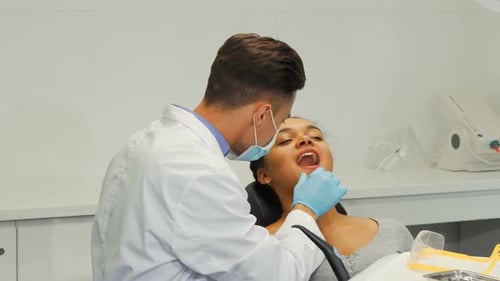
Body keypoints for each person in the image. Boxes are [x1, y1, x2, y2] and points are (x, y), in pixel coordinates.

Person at [91, 33, 347, 281]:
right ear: (261, 116)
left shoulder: (142, 144)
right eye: (281, 124)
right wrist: (305, 210)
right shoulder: (200, 172)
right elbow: (274, 275)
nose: (298, 139)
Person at [249, 117, 414, 280]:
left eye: (316, 137)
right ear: (264, 175)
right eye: (285, 141)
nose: (305, 140)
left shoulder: (392, 232)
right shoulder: (262, 246)